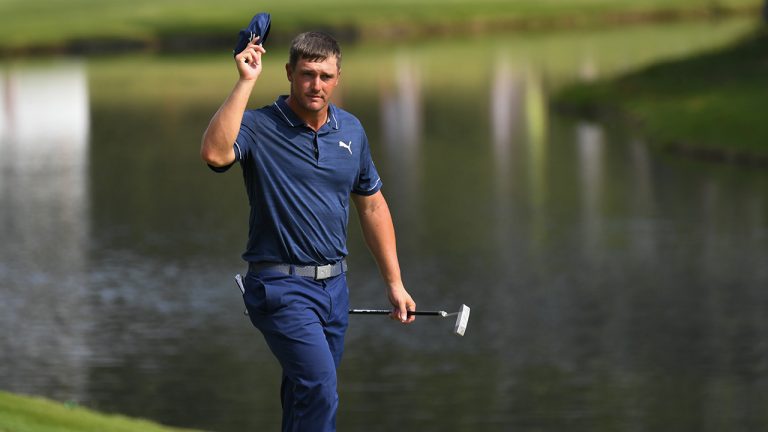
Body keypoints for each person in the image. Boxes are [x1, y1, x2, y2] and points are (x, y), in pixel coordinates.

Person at [200, 31, 416, 431]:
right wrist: (246, 81)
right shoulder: (259, 125)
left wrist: (395, 282)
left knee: (304, 399)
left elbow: (372, 204)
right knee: (319, 387)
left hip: (334, 289)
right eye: (307, 74)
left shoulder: (350, 130)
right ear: (288, 73)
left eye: (326, 76)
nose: (316, 85)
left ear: (338, 77)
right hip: (280, 287)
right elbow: (214, 153)